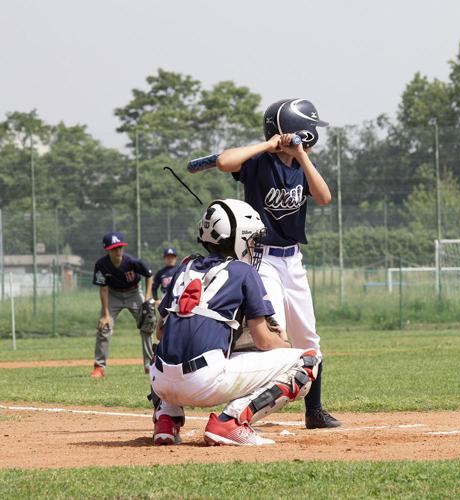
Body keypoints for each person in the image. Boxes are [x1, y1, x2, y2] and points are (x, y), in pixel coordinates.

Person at [150, 199, 319, 446]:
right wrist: (285, 345)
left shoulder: (185, 266)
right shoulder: (243, 271)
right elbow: (263, 341)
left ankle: (166, 419)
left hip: (161, 382)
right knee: (307, 361)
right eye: (251, 239)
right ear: (239, 238)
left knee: (166, 349)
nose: (253, 246)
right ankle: (231, 422)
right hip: (203, 381)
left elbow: (160, 332)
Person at [215, 98, 340, 429]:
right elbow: (225, 161)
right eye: (309, 127)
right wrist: (268, 145)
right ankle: (246, 410)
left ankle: (314, 411)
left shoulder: (301, 165)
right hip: (262, 258)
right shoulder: (259, 163)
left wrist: (301, 155)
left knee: (308, 339)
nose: (313, 134)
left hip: (293, 260)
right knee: (272, 335)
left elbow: (325, 196)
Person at [91, 231, 154, 378]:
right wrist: (106, 315)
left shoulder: (132, 261)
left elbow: (149, 275)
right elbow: (103, 289)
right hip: (113, 294)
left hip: (134, 293)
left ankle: (149, 365)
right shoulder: (102, 265)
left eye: (120, 247)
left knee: (147, 324)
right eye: (114, 248)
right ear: (108, 249)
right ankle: (99, 367)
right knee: (104, 327)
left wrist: (147, 298)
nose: (118, 251)